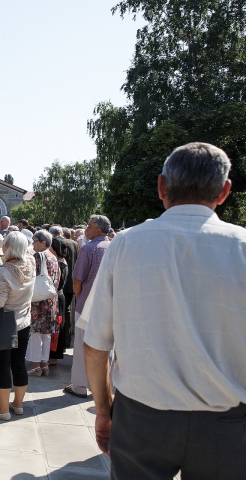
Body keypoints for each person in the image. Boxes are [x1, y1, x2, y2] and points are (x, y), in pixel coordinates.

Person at [84, 142, 246, 477]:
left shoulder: (126, 244)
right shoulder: (242, 247)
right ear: (225, 191)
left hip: (141, 418)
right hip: (227, 419)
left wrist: (103, 409)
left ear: (162, 187)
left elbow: (95, 343)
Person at [0, 231, 36, 420]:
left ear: (8, 247)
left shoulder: (3, 272)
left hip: (6, 324)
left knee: (3, 366)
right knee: (19, 363)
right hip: (25, 321)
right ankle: (19, 404)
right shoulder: (31, 264)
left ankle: (3, 409)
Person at [64, 214, 110, 398]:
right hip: (110, 306)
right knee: (108, 348)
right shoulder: (115, 247)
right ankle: (105, 386)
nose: (86, 229)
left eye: (89, 226)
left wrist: (79, 297)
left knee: (83, 346)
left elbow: (77, 280)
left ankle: (80, 386)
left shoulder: (89, 249)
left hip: (87, 306)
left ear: (99, 229)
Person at [25, 230, 61, 376]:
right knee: (46, 333)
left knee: (35, 332)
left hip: (37, 300)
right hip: (51, 299)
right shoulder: (53, 257)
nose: (32, 243)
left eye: (35, 241)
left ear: (43, 242)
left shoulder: (36, 257)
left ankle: (35, 365)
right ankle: (44, 363)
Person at [48, 236, 69, 363]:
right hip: (60, 296)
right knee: (58, 328)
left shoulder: (57, 263)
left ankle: (53, 357)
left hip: (56, 297)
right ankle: (54, 357)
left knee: (55, 329)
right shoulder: (63, 261)